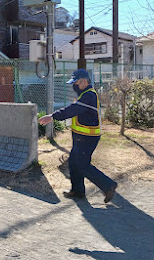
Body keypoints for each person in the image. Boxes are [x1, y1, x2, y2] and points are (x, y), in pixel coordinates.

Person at [39, 69, 118, 203]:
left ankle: (108, 185)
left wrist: (52, 116)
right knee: (74, 163)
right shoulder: (84, 95)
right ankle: (78, 191)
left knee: (82, 165)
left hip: (88, 138)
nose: (74, 85)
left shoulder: (89, 96)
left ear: (84, 81)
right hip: (81, 136)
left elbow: (72, 110)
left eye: (76, 83)